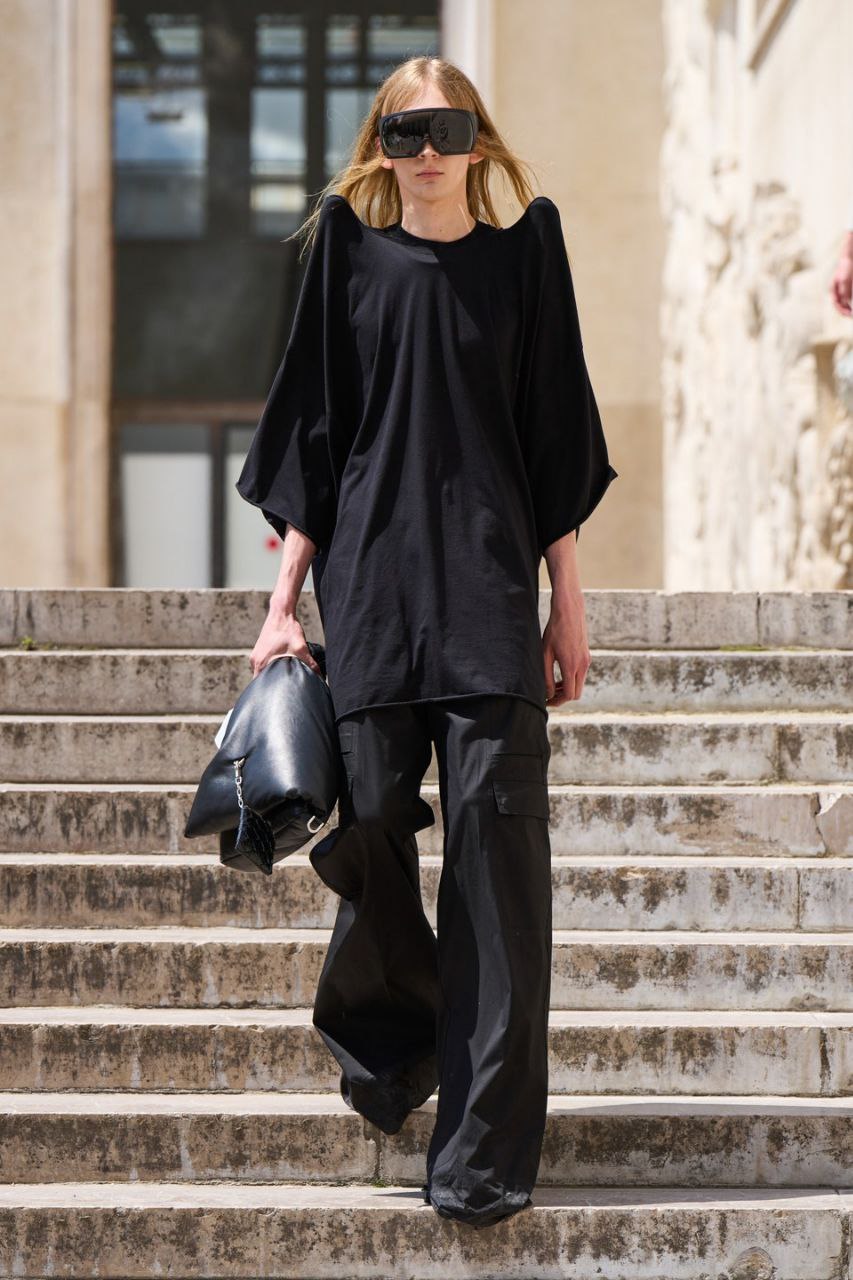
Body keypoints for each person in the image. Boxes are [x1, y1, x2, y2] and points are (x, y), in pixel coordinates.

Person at [235, 55, 618, 1229]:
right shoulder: (349, 259)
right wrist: (282, 604)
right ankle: (390, 1039)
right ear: (382, 149)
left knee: (500, 881)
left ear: (477, 140)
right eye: (405, 133)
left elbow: (553, 431)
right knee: (371, 843)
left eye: (447, 129)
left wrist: (566, 597)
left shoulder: (524, 255)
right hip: (373, 598)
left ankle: (480, 1159)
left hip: (492, 603)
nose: (429, 152)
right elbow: (315, 438)